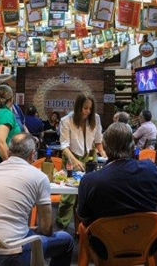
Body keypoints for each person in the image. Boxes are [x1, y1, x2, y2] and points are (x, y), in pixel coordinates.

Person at [0, 133, 74, 265]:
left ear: (8, 152)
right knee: (66, 240)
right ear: (32, 154)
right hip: (9, 255)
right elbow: (46, 227)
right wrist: (36, 231)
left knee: (28, 233)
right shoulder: (38, 176)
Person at [77, 122, 157, 226]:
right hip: (147, 239)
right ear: (132, 146)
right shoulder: (151, 170)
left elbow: (84, 219)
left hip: (105, 240)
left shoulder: (89, 181)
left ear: (104, 146)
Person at [56, 93, 107, 230]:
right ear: (78, 107)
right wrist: (74, 160)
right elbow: (64, 146)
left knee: (90, 192)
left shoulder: (95, 118)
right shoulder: (66, 120)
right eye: (85, 108)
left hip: (90, 156)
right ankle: (62, 226)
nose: (88, 112)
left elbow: (98, 141)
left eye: (90, 109)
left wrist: (103, 153)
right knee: (68, 195)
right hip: (71, 156)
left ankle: (87, 226)